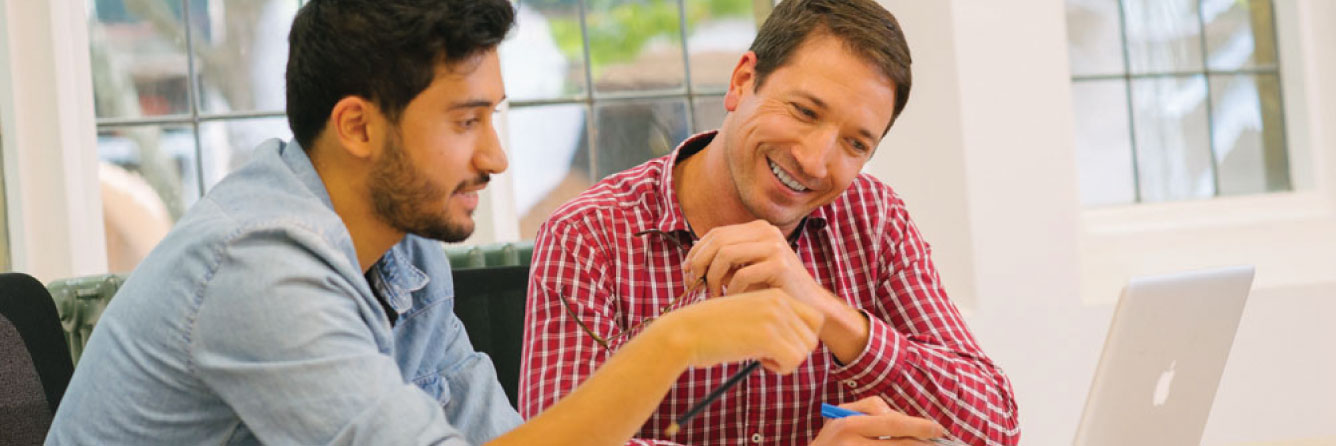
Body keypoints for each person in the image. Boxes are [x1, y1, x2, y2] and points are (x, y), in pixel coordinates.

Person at [46, 1, 949, 445]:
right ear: (358, 125)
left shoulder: (404, 250)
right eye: (465, 121)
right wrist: (677, 343)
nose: (498, 158)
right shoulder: (262, 267)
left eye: (495, 118)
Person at [519, 0, 1021, 445]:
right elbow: (560, 441)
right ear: (742, 82)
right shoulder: (589, 235)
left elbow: (995, 426)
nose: (815, 161)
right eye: (805, 111)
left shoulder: (874, 218)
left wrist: (824, 309)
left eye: (856, 144)